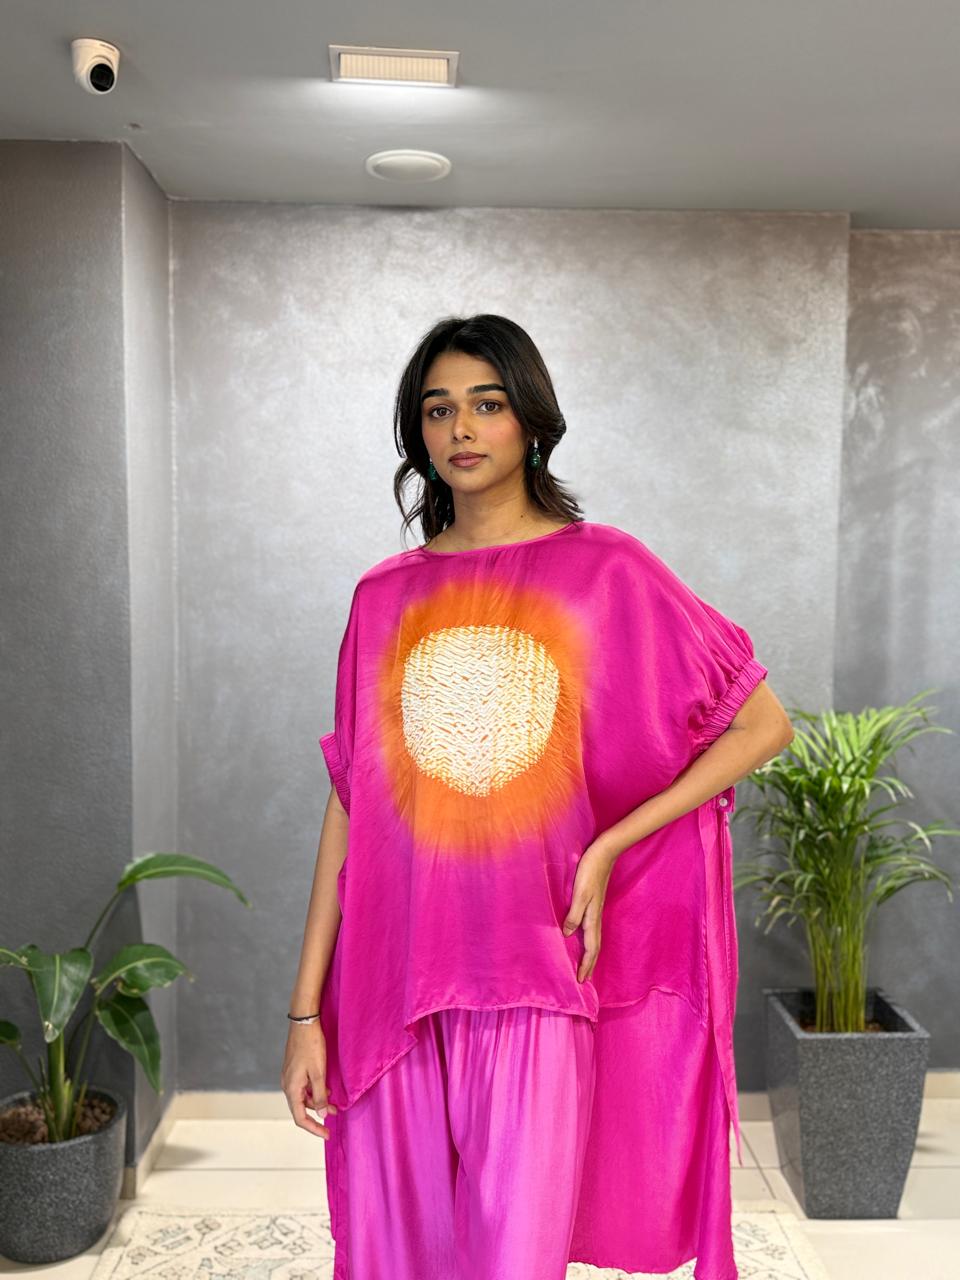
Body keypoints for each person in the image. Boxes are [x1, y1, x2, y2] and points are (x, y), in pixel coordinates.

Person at [281, 314, 794, 1280]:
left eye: (487, 404)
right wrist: (305, 1013)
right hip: (394, 979)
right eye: (439, 410)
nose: (462, 429)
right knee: (398, 1258)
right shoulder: (383, 596)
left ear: (529, 420)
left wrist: (609, 847)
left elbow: (761, 724)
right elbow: (352, 806)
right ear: (418, 433)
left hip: (535, 967)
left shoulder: (607, 571)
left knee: (515, 1258)